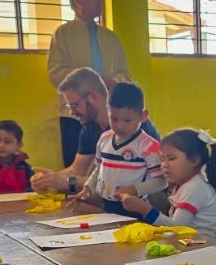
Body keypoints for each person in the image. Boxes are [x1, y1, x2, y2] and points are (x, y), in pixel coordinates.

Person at [31, 68, 159, 194]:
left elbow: (119, 180)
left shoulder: (131, 125)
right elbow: (77, 169)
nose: (72, 112)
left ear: (92, 96)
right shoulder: (90, 127)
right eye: (69, 106)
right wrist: (48, 179)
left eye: (74, 105)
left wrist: (68, 182)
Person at [48, 0, 132, 167]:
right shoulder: (63, 34)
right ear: (78, 1)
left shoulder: (110, 37)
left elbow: (125, 74)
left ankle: (105, 195)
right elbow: (55, 73)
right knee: (76, 166)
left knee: (111, 164)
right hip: (75, 115)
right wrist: (89, 80)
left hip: (108, 112)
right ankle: (75, 195)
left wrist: (112, 81)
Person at [68, 83, 166, 217]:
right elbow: (99, 169)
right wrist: (87, 189)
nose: (119, 126)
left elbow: (161, 182)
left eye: (127, 120)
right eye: (114, 119)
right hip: (107, 206)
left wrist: (134, 189)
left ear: (143, 116)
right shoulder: (104, 139)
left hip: (135, 208)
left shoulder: (148, 146)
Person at [119, 128, 216, 238]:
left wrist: (144, 209)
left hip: (202, 247)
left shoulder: (195, 187)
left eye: (171, 158)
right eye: (162, 159)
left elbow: (176, 226)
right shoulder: (183, 184)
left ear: (194, 160)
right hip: (187, 244)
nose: (164, 165)